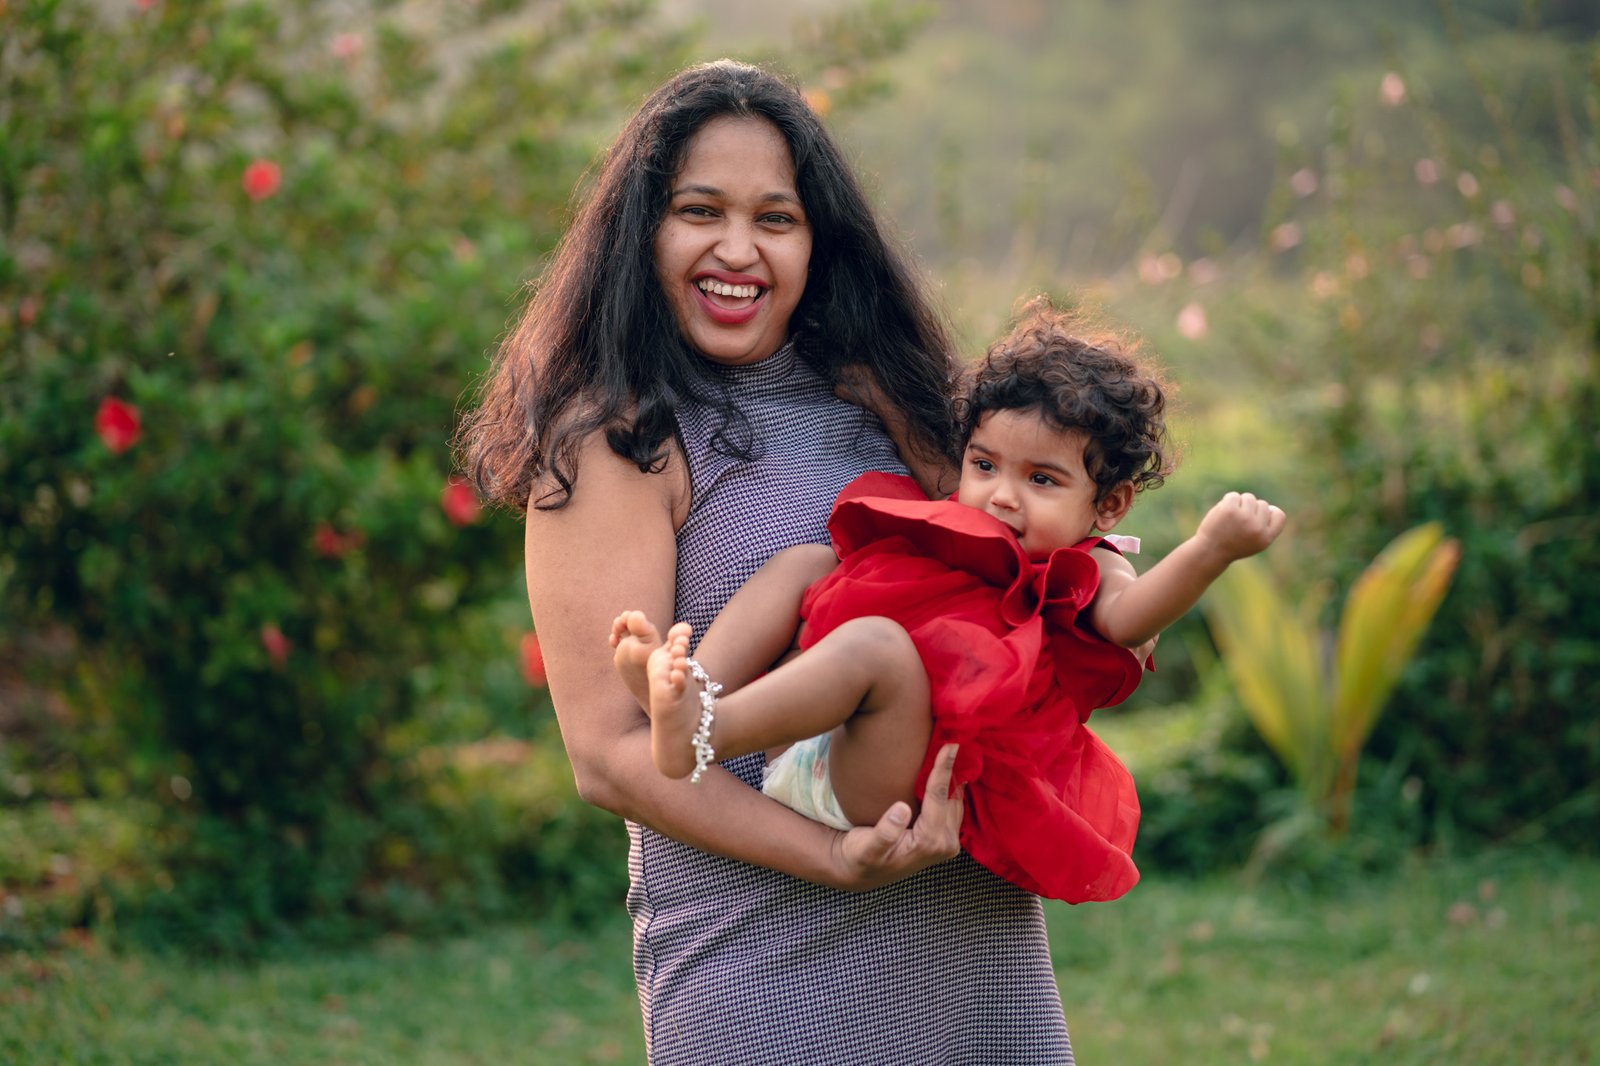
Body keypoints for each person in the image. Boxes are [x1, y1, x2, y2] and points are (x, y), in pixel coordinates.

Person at [458, 59, 1081, 1064]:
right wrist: (834, 857)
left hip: (977, 946)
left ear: (817, 239)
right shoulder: (617, 441)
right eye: (699, 211)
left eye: (775, 219)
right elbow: (610, 756)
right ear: (642, 230)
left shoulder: (895, 402)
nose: (737, 250)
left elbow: (1017, 600)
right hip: (769, 972)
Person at [611, 299, 1286, 905]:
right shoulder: (970, 523)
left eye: (1042, 480)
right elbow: (938, 468)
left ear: (1108, 506)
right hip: (809, 745)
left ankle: (705, 731)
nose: (1002, 496)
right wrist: (882, 400)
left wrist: (1210, 550)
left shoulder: (1091, 568)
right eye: (984, 465)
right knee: (808, 563)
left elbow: (1129, 621)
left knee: (879, 647)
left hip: (888, 781)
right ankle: (691, 689)